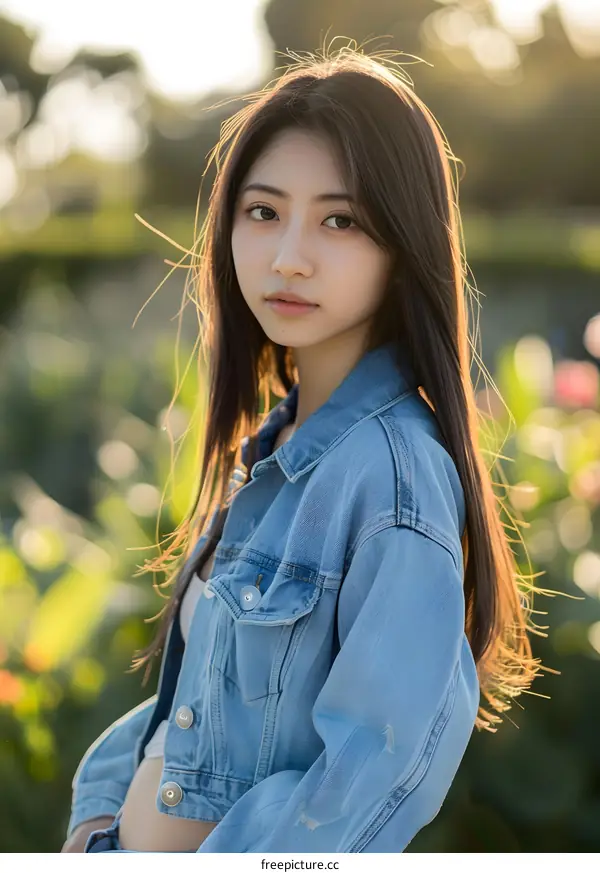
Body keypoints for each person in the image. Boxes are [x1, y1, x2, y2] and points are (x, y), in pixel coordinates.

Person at [61, 46, 543, 854]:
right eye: (263, 211)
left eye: (339, 220)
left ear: (403, 245)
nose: (288, 255)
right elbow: (203, 714)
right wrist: (96, 820)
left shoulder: (391, 476)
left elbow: (372, 775)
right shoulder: (275, 453)